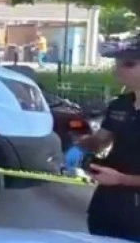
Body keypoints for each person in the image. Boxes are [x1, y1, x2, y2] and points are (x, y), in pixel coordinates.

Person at [64, 34, 140, 241]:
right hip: (107, 205)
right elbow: (100, 141)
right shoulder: (120, 105)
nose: (118, 70)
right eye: (117, 64)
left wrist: (122, 179)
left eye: (129, 64)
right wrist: (80, 148)